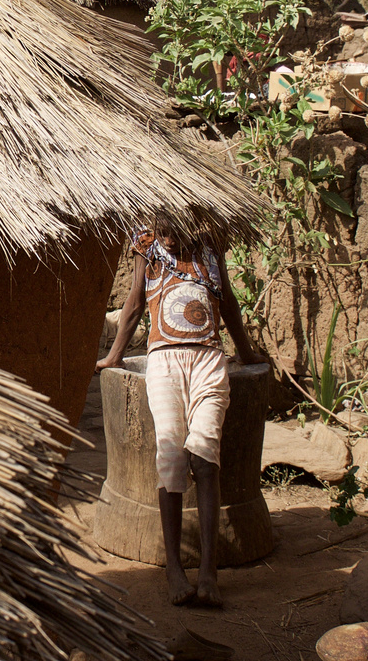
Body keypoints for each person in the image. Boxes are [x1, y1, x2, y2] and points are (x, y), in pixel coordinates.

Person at [97, 214, 265, 608]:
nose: (169, 241)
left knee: (205, 457)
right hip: (164, 362)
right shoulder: (147, 246)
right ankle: (175, 568)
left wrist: (244, 353)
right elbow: (135, 302)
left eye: (176, 233)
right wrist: (114, 356)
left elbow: (227, 304)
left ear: (191, 226)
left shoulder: (209, 249)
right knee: (170, 457)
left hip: (209, 361)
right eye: (164, 233)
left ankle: (209, 572)